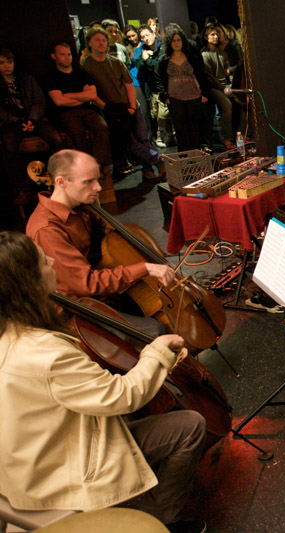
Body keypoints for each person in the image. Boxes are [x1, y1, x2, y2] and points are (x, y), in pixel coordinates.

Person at [0, 231, 207, 533]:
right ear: (28, 284)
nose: (52, 260)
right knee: (189, 427)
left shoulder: (9, 333)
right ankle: (157, 521)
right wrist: (157, 352)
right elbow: (121, 397)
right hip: (60, 475)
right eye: (44, 261)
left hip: (26, 466)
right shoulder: (47, 354)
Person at [26, 149, 175, 335]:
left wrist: (97, 211)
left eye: (97, 179)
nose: (97, 187)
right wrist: (145, 268)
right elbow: (85, 284)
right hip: (79, 308)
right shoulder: (47, 229)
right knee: (156, 330)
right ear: (61, 182)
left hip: (103, 294)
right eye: (88, 182)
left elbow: (107, 241)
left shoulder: (80, 206)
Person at [81, 27, 164, 182]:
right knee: (130, 143)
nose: (101, 43)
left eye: (104, 40)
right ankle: (159, 161)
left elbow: (128, 85)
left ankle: (148, 171)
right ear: (89, 43)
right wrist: (106, 108)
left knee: (143, 140)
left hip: (131, 105)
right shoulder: (86, 65)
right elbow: (91, 93)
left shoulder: (115, 62)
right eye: (97, 40)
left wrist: (132, 107)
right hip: (111, 110)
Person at [43, 43, 112, 189]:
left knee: (102, 127)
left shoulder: (82, 74)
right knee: (77, 133)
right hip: (65, 113)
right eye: (62, 54)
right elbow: (59, 101)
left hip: (88, 110)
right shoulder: (51, 77)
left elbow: (92, 95)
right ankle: (87, 169)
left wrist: (69, 95)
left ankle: (99, 164)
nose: (67, 57)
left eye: (68, 54)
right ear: (54, 56)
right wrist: (82, 96)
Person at [0, 47, 63, 206]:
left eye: (9, 62)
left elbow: (39, 101)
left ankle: (58, 180)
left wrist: (32, 119)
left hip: (35, 118)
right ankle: (22, 190)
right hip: (11, 122)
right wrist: (16, 121)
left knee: (56, 139)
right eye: (2, 63)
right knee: (8, 145)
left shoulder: (27, 79)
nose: (7, 66)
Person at [155, 26, 211, 152]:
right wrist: (165, 96)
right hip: (174, 98)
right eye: (173, 40)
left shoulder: (191, 57)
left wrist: (204, 93)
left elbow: (202, 75)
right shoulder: (163, 60)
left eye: (178, 40)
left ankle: (196, 156)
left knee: (194, 128)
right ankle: (184, 158)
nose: (176, 43)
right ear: (169, 42)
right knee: (180, 129)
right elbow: (158, 79)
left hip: (193, 95)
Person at [201, 24, 235, 149]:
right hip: (213, 87)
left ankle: (241, 134)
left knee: (242, 100)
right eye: (212, 35)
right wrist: (223, 88)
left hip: (225, 84)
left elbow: (227, 71)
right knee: (227, 104)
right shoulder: (204, 55)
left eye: (216, 34)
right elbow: (210, 78)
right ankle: (227, 138)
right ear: (206, 37)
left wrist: (232, 86)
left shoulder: (222, 52)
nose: (215, 37)